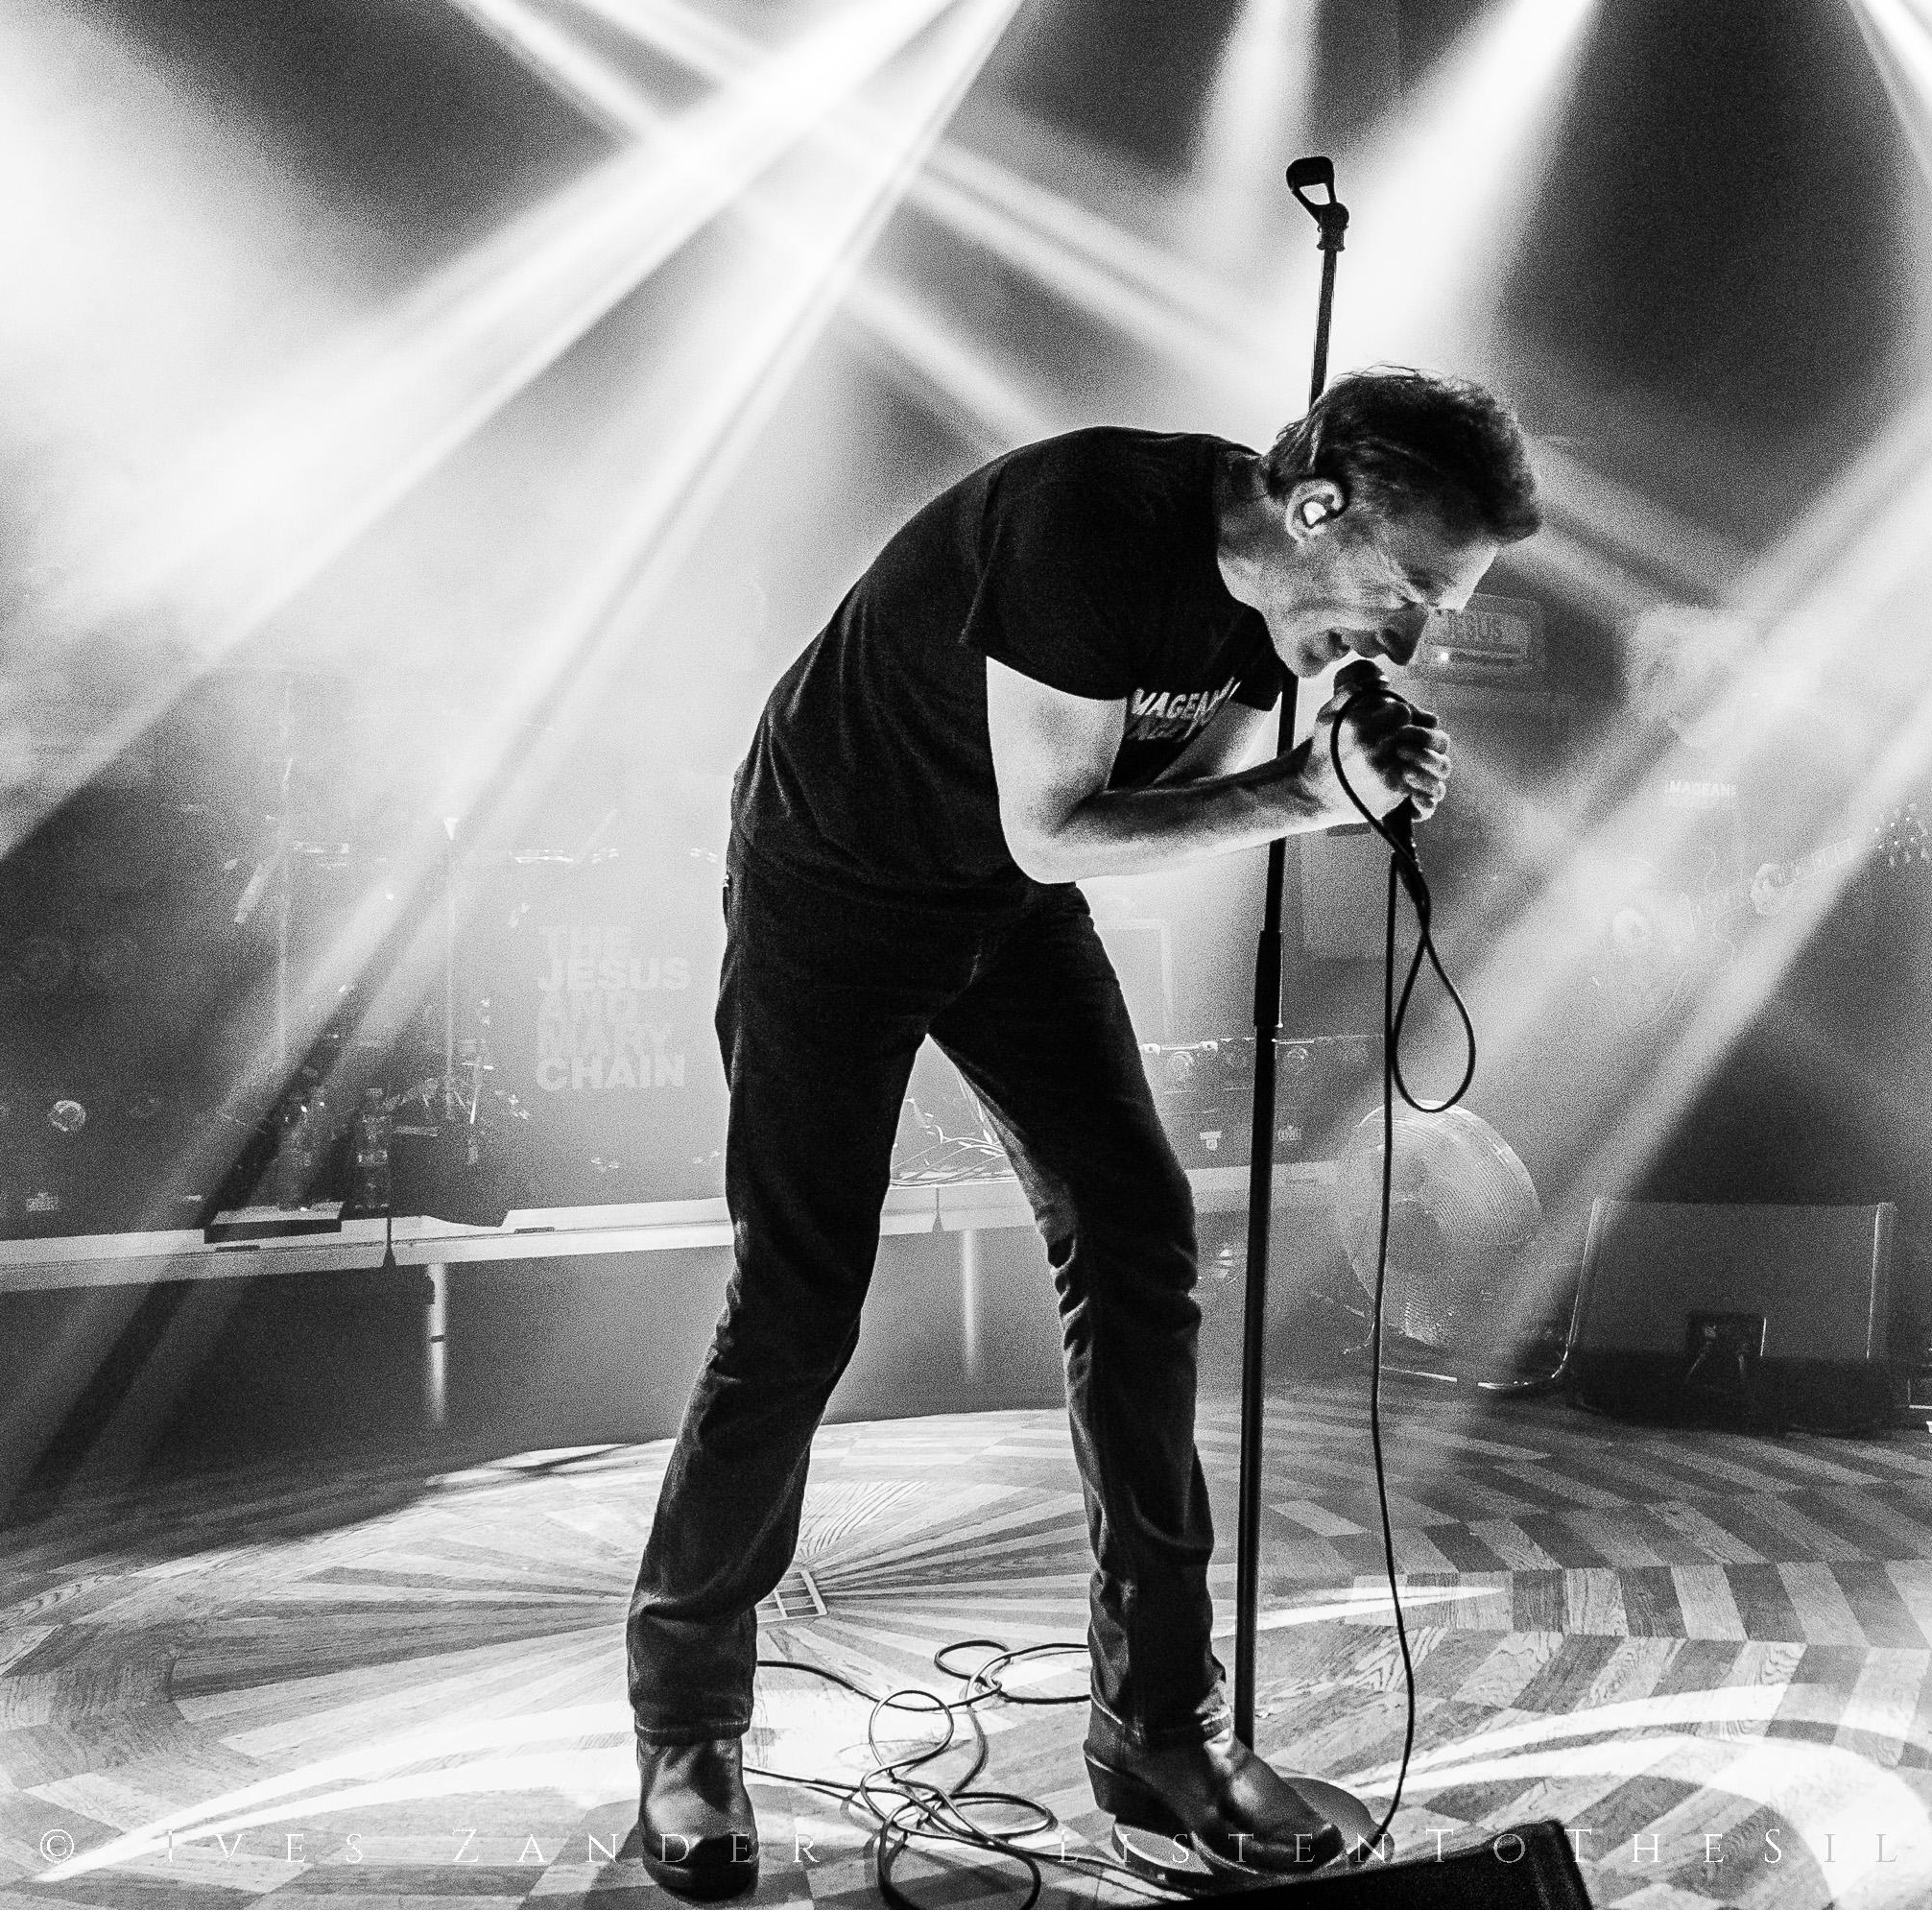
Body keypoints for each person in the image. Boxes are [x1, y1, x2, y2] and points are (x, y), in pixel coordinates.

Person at [627, 367, 1540, 1897]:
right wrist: (1306, 794)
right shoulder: (1086, 527)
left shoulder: (1269, 612)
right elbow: (1053, 823)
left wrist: (1341, 737)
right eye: (1407, 596)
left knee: (1138, 1237)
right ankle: (686, 1727)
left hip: (1001, 913)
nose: (1411, 637)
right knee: (799, 1296)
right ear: (1317, 507)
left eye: (1432, 616)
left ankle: (1159, 1729)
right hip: (833, 889)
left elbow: (1151, 800)